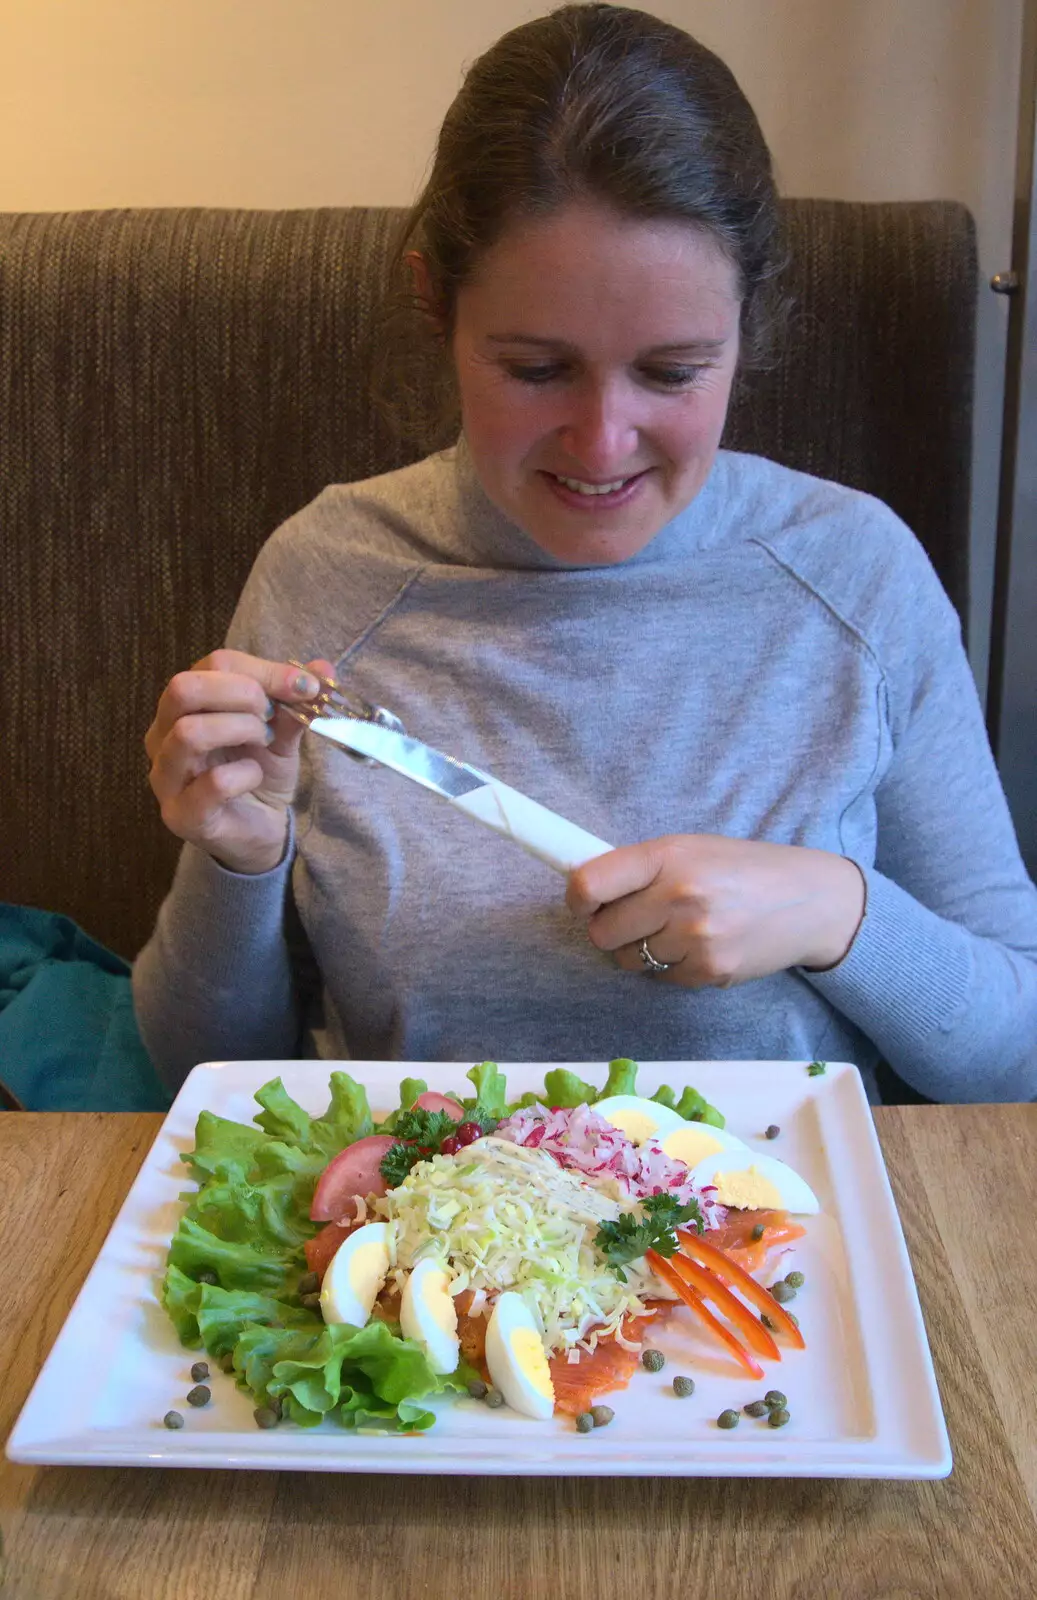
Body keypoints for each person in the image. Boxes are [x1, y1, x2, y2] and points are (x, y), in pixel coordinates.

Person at [133, 2, 1037, 1104]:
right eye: (534, 368)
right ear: (436, 305)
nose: (603, 444)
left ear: (748, 327)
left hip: (773, 1251)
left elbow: (1015, 1056)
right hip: (418, 1244)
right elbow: (192, 1070)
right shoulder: (328, 573)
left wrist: (836, 910)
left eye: (671, 372)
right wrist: (237, 855)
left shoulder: (852, 573)